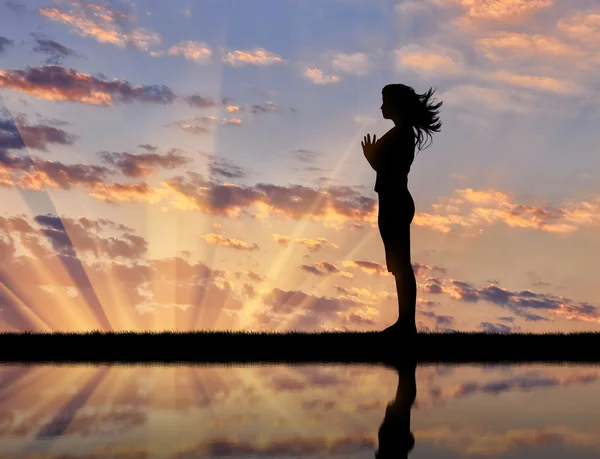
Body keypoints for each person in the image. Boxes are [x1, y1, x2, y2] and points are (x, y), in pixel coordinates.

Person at [361, 84, 442, 337]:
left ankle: (407, 323)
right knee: (397, 264)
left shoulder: (403, 134)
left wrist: (372, 159)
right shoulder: (399, 132)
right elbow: (387, 169)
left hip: (395, 201)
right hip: (389, 200)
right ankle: (404, 322)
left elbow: (394, 170)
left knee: (402, 264)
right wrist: (373, 159)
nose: (381, 106)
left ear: (396, 104)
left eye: (385, 101)